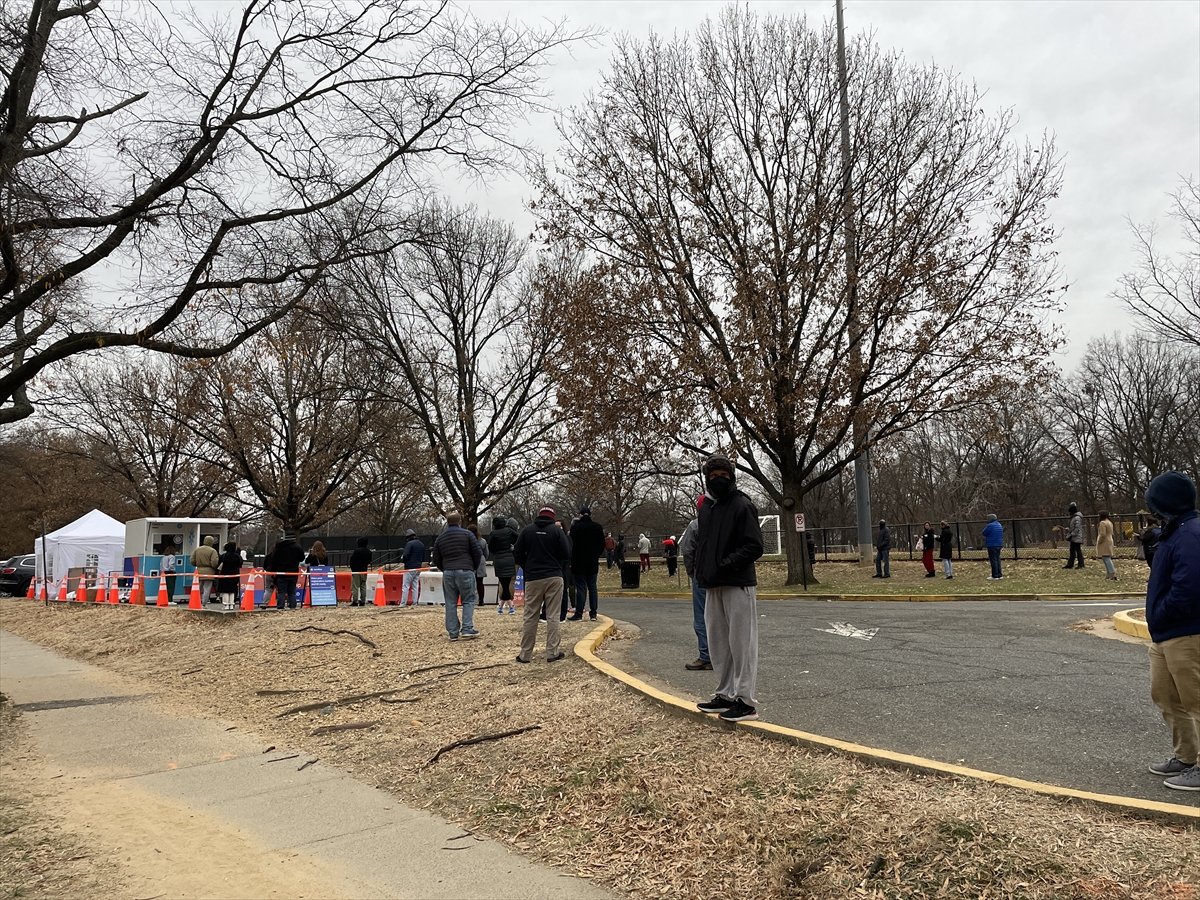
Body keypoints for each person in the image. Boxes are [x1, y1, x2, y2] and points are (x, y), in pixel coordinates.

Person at [694, 454, 764, 722]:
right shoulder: (707, 509)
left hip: (738, 584)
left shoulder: (742, 505)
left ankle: (746, 702)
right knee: (719, 643)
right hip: (712, 584)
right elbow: (703, 544)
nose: (718, 479)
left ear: (731, 477)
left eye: (723, 475)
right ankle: (724, 695)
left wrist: (726, 564)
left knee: (742, 644)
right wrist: (702, 569)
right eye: (713, 476)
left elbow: (754, 545)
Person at [1142, 471, 1199, 792]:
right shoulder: (1173, 533)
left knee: (1196, 699)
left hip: (1187, 633)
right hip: (1165, 634)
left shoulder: (1190, 534)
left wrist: (1163, 614)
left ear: (1167, 503)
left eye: (1155, 502)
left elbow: (1189, 588)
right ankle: (1186, 757)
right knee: (1165, 695)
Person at [513, 506, 570, 663]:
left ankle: (525, 654)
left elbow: (517, 554)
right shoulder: (557, 531)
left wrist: (528, 567)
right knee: (553, 616)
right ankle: (552, 652)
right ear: (552, 517)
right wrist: (557, 565)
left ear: (539, 516)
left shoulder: (527, 531)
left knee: (530, 615)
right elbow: (566, 554)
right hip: (554, 576)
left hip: (533, 578)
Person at [432, 513, 481, 641]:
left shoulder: (440, 538)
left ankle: (453, 632)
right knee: (468, 600)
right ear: (459, 521)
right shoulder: (468, 534)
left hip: (448, 572)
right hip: (466, 569)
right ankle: (467, 628)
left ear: (447, 522)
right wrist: (472, 567)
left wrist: (445, 568)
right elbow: (477, 552)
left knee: (450, 602)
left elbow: (436, 558)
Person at [678, 511, 710, 671]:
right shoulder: (724, 523)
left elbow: (688, 550)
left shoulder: (695, 525)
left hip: (702, 573)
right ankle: (724, 656)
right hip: (724, 574)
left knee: (702, 615)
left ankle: (706, 655)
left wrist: (692, 572)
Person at [569, 506, 605, 621]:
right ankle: (593, 613)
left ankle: (579, 613)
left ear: (580, 515)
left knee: (580, 588)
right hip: (592, 562)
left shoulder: (575, 528)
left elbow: (571, 545)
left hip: (578, 562)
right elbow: (602, 545)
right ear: (590, 514)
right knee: (593, 588)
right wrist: (595, 555)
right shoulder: (597, 527)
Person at [488, 517, 518, 615]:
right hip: (509, 558)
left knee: (503, 583)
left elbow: (490, 547)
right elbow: (518, 538)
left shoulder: (493, 533)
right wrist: (512, 546)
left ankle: (503, 607)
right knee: (508, 583)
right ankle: (509, 606)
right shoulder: (509, 531)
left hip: (499, 559)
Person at [272, 534, 305, 609]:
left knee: (281, 592)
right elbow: (302, 558)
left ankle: (280, 606)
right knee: (292, 591)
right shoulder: (297, 547)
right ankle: (292, 606)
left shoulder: (279, 547)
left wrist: (274, 570)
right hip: (293, 572)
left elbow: (274, 559)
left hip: (281, 572)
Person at [191, 535, 220, 604]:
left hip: (199, 571)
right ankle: (204, 603)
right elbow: (214, 562)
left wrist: (197, 564)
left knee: (198, 588)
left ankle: (196, 602)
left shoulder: (197, 549)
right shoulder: (213, 551)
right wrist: (214, 568)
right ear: (211, 542)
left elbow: (192, 560)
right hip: (209, 572)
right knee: (207, 589)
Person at [401, 529, 425, 606]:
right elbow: (424, 556)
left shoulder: (409, 544)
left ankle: (403, 603)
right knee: (415, 586)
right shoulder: (421, 544)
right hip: (418, 567)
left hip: (409, 567)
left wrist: (403, 561)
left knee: (406, 586)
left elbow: (405, 555)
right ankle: (415, 602)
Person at [468, 524, 489, 606]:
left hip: (470, 562)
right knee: (480, 582)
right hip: (481, 561)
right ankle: (481, 600)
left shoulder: (467, 541)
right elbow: (486, 553)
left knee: (470, 582)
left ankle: (470, 600)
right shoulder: (482, 541)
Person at [217, 541, 242, 611]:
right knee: (232, 590)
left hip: (225, 574)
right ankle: (231, 604)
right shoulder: (237, 556)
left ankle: (226, 605)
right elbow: (240, 564)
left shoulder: (224, 556)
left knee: (225, 590)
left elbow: (218, 563)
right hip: (235, 574)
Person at [349, 537, 372, 606]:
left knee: (355, 586)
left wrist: (352, 568)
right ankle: (363, 601)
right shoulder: (369, 552)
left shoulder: (356, 551)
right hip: (364, 570)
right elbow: (369, 561)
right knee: (363, 585)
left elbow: (352, 560)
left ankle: (355, 601)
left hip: (356, 571)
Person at [1096, 511, 1117, 581]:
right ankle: (1108, 574)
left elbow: (1102, 534)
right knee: (1106, 557)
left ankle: (1112, 573)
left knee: (1106, 558)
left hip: (1105, 542)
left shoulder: (1102, 523)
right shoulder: (1109, 522)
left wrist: (1099, 541)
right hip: (1110, 540)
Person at [1064, 502, 1085, 569]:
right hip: (1073, 537)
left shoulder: (1077, 518)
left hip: (1077, 537)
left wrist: (1071, 535)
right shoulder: (1074, 518)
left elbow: (1077, 528)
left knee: (1078, 551)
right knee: (1072, 551)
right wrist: (1069, 530)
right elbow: (1073, 528)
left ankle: (1081, 564)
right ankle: (1070, 565)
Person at [982, 514, 1004, 580]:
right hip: (999, 544)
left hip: (992, 545)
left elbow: (984, 533)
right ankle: (1000, 574)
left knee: (993, 560)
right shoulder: (999, 525)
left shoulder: (990, 525)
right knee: (998, 559)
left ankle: (995, 575)